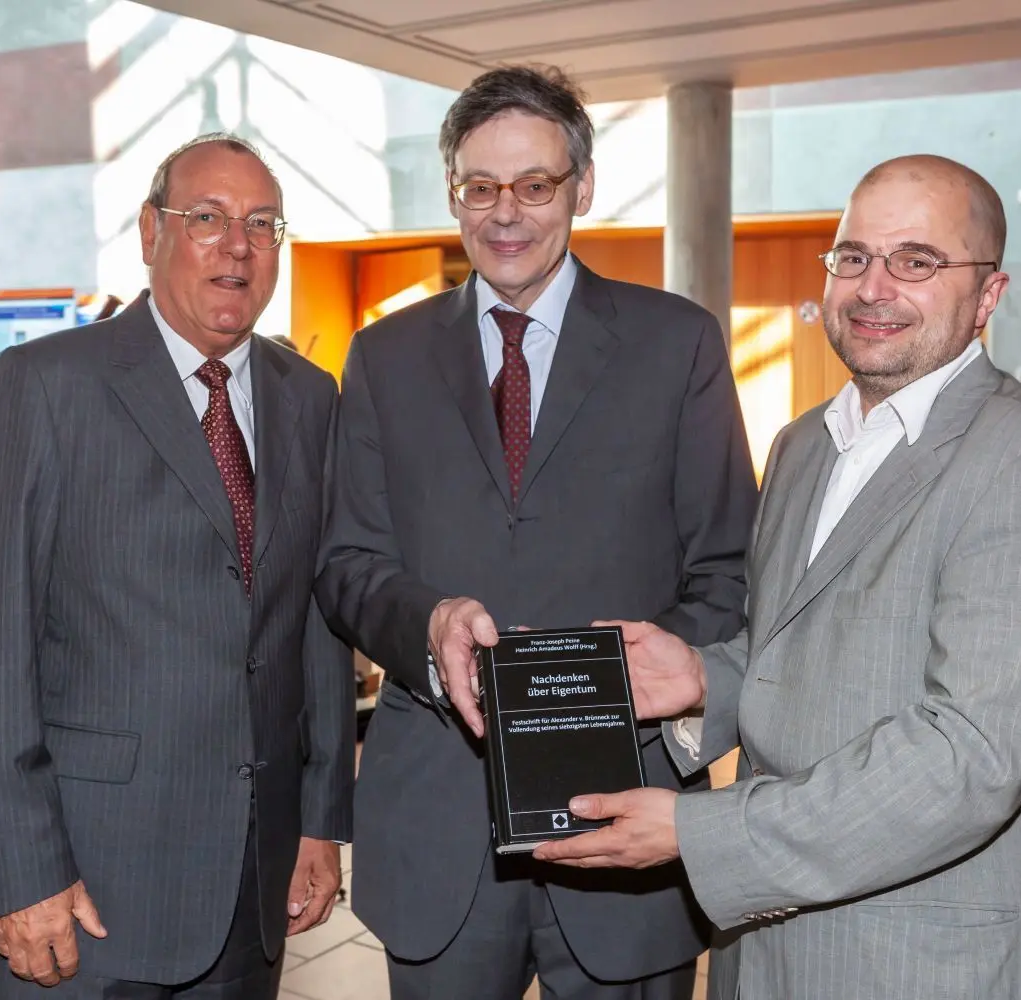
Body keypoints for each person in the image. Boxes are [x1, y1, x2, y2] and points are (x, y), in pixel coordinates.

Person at [532, 154, 1021, 1000]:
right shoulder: (806, 444)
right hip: (765, 952)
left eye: (915, 260)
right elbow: (798, 643)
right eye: (852, 257)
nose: (872, 287)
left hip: (925, 965)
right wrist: (707, 677)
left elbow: (969, 759)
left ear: (988, 296)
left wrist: (700, 832)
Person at [316, 65, 758, 1000]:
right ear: (454, 195)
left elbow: (727, 567)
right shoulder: (385, 357)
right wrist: (426, 629)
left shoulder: (677, 344)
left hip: (624, 815)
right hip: (440, 826)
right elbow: (348, 562)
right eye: (480, 187)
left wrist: (655, 674)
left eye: (535, 184)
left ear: (582, 189)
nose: (504, 212)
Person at [0, 132, 355, 998]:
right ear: (148, 231)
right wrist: (19, 872)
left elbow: (314, 623)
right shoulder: (42, 386)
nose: (237, 245)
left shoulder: (310, 398)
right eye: (206, 217)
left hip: (252, 882)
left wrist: (318, 818)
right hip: (84, 887)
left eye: (262, 223)